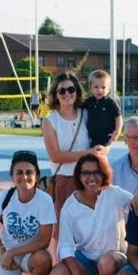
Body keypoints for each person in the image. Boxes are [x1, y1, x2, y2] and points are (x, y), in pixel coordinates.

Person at [48, 153, 134, 275]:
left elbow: (137, 203)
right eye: (86, 173)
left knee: (106, 262)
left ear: (104, 174)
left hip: (115, 257)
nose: (91, 177)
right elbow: (65, 245)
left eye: (96, 172)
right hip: (86, 258)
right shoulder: (70, 206)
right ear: (79, 176)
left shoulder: (114, 194)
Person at [41, 72, 97, 229]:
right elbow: (55, 156)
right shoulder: (50, 121)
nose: (67, 94)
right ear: (55, 95)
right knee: (65, 228)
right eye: (62, 91)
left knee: (90, 226)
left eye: (71, 89)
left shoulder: (86, 115)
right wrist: (88, 153)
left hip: (89, 179)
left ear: (77, 92)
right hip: (65, 180)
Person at [83, 69, 123, 149]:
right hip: (92, 137)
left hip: (105, 137)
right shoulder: (89, 102)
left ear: (108, 89)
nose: (99, 90)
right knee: (92, 156)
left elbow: (118, 117)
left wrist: (117, 132)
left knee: (99, 154)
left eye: (103, 87)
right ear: (90, 87)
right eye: (96, 87)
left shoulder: (110, 103)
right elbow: (76, 106)